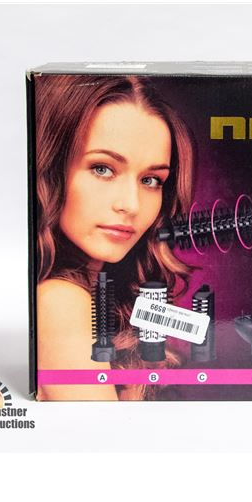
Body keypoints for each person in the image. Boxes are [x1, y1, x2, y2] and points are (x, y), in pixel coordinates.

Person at [34, 75, 195, 400]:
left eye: (150, 180)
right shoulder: (59, 301)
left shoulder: (105, 299)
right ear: (51, 170)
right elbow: (104, 434)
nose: (131, 205)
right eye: (103, 169)